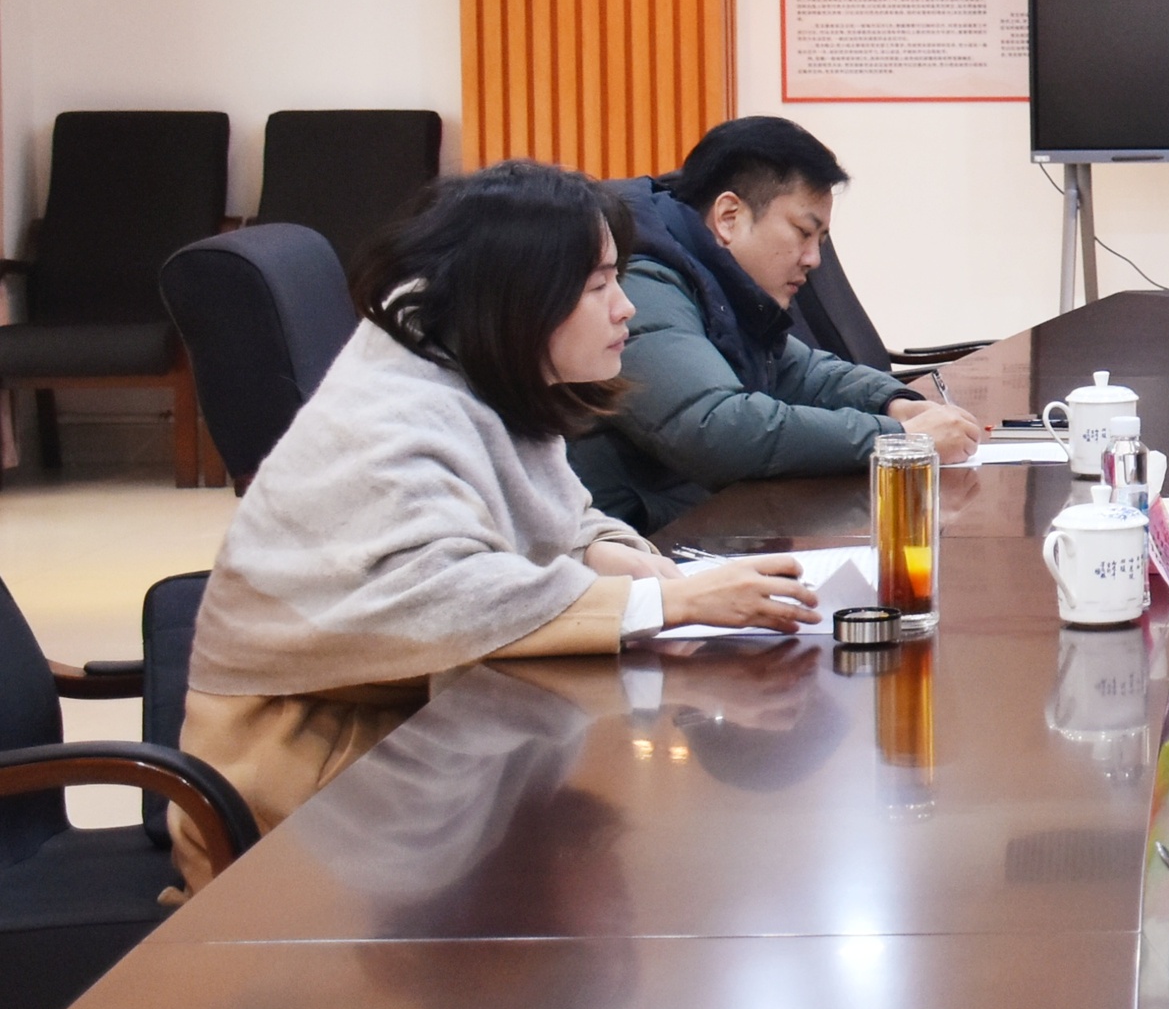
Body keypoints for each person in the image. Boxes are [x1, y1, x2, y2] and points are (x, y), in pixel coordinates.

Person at [178, 162, 816, 889]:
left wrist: (610, 553)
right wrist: (667, 602)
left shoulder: (472, 366)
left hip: (418, 750)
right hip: (308, 813)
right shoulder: (389, 422)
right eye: (599, 285)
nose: (626, 309)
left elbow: (559, 512)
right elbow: (446, 595)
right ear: (521, 297)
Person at [571, 117, 985, 531]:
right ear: (729, 217)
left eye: (820, 241)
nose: (814, 259)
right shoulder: (644, 284)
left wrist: (892, 402)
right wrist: (897, 437)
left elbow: (802, 371)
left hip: (707, 521)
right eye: (803, 232)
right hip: (641, 541)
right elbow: (716, 430)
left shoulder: (718, 282)